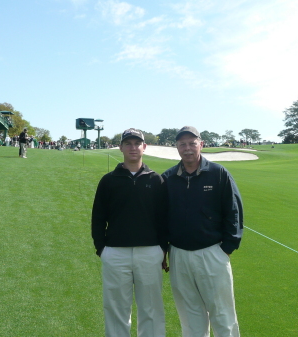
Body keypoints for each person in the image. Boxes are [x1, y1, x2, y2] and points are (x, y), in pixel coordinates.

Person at [162, 126, 243, 337]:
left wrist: (227, 247)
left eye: (192, 143)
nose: (187, 148)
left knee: (223, 315)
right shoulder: (168, 178)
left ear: (201, 144)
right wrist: (164, 251)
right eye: (182, 144)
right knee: (190, 317)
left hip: (212, 252)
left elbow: (233, 211)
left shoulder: (218, 173)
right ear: (177, 147)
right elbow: (160, 218)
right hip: (179, 255)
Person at [91, 128, 167, 337]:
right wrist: (101, 249)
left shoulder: (156, 180)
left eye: (137, 143)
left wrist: (162, 249)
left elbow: (164, 219)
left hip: (150, 252)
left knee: (151, 309)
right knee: (116, 310)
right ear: (121, 147)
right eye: (128, 143)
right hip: (115, 253)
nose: (133, 147)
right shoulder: (108, 180)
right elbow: (98, 218)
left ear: (144, 146)